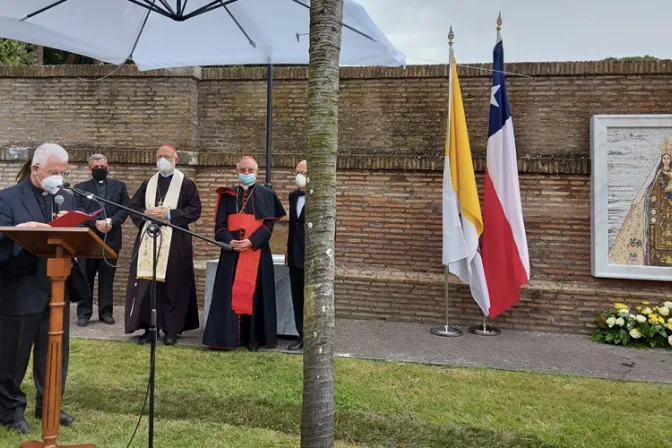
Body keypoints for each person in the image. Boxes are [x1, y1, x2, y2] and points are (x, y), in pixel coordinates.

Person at [0, 143, 77, 434]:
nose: (59, 177)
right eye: (54, 172)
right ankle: (9, 410)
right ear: (36, 169)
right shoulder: (7, 199)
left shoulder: (66, 198)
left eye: (63, 172)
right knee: (13, 354)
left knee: (54, 353)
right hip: (20, 288)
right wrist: (26, 231)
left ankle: (50, 405)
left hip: (57, 287)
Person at [203, 155, 286, 351]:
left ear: (257, 172)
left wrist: (251, 241)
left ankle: (253, 339)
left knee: (256, 295)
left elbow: (268, 225)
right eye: (243, 170)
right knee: (228, 295)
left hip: (256, 252)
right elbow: (219, 227)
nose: (246, 174)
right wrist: (230, 241)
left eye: (250, 171)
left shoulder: (266, 194)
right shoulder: (227, 195)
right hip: (232, 253)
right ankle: (227, 338)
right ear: (237, 171)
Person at [124, 145, 201, 346]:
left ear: (176, 159)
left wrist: (168, 215)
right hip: (149, 240)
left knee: (173, 284)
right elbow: (133, 207)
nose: (162, 160)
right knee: (149, 285)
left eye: (167, 156)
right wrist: (146, 214)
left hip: (175, 243)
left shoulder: (186, 184)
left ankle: (171, 329)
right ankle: (151, 328)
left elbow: (194, 210)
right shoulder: (148, 183)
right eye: (159, 156)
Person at [74, 154, 130, 327]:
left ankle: (106, 313)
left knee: (107, 279)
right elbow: (77, 210)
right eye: (96, 167)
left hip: (110, 238)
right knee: (85, 278)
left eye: (103, 166)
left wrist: (111, 222)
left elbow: (125, 208)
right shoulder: (79, 188)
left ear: (107, 167)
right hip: (87, 241)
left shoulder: (119, 186)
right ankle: (84, 313)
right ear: (90, 169)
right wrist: (94, 223)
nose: (100, 169)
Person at [286, 160, 307, 350]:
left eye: (303, 172)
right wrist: (288, 252)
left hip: (311, 258)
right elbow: (292, 227)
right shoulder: (293, 196)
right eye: (297, 172)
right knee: (297, 298)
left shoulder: (323, 197)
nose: (299, 176)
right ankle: (301, 335)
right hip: (294, 256)